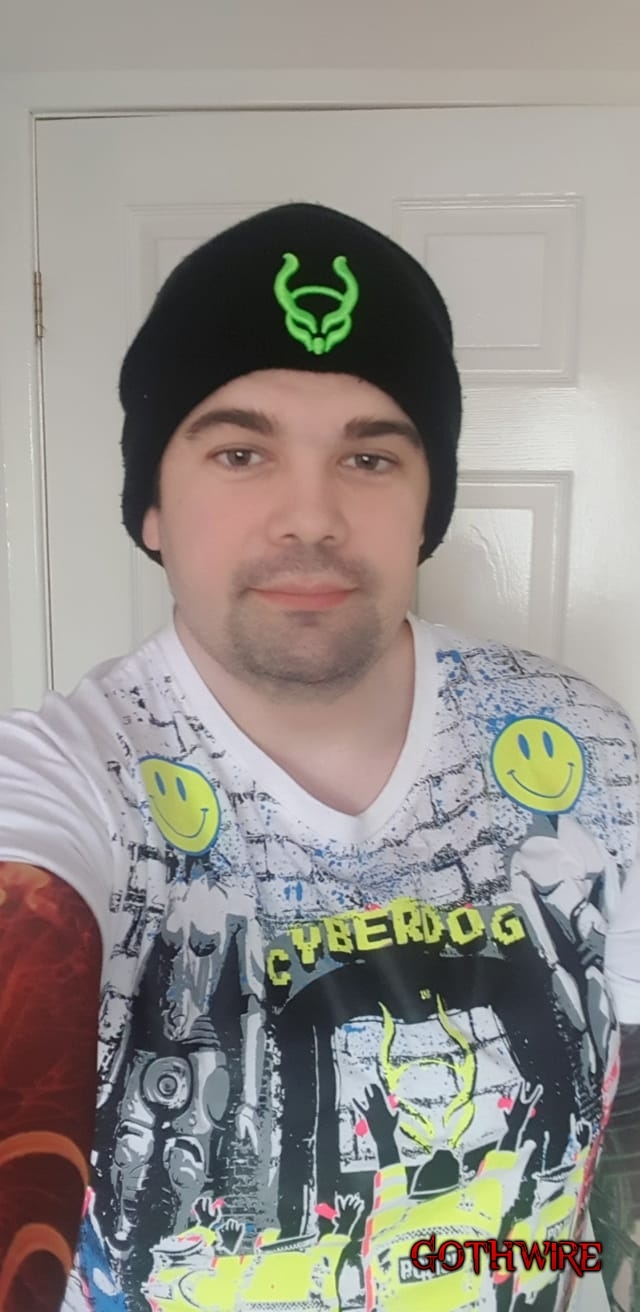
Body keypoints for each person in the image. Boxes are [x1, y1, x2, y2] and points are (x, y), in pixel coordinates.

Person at [0, 201, 639, 1312]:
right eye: (240, 451)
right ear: (152, 508)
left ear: (427, 502)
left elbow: (621, 1107)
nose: (311, 517)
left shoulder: (579, 741)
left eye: (370, 455)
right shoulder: (65, 782)